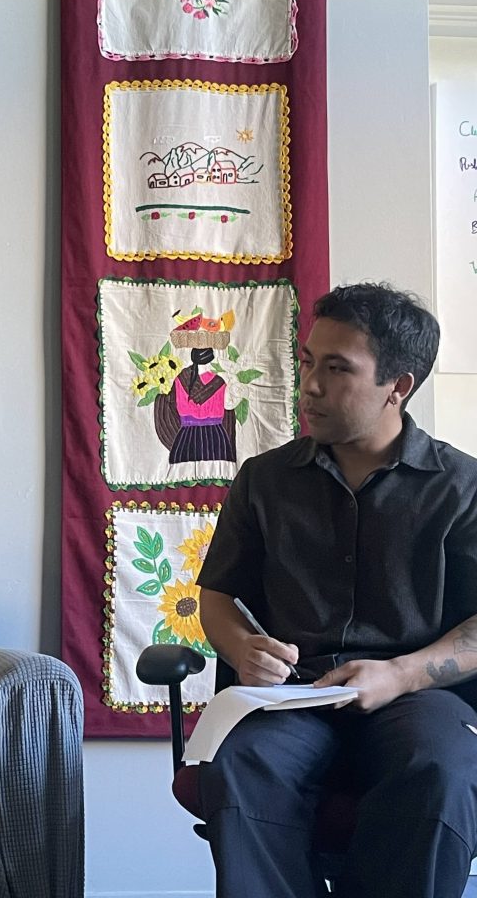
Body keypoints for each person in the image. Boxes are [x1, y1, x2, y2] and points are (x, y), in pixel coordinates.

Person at [196, 282, 477, 898]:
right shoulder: (264, 481)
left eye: (336, 368)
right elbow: (215, 598)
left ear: (398, 386)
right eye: (307, 362)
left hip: (417, 695)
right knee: (242, 765)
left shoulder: (462, 487)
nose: (311, 385)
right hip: (292, 699)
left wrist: (400, 675)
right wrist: (243, 648)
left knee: (442, 770)